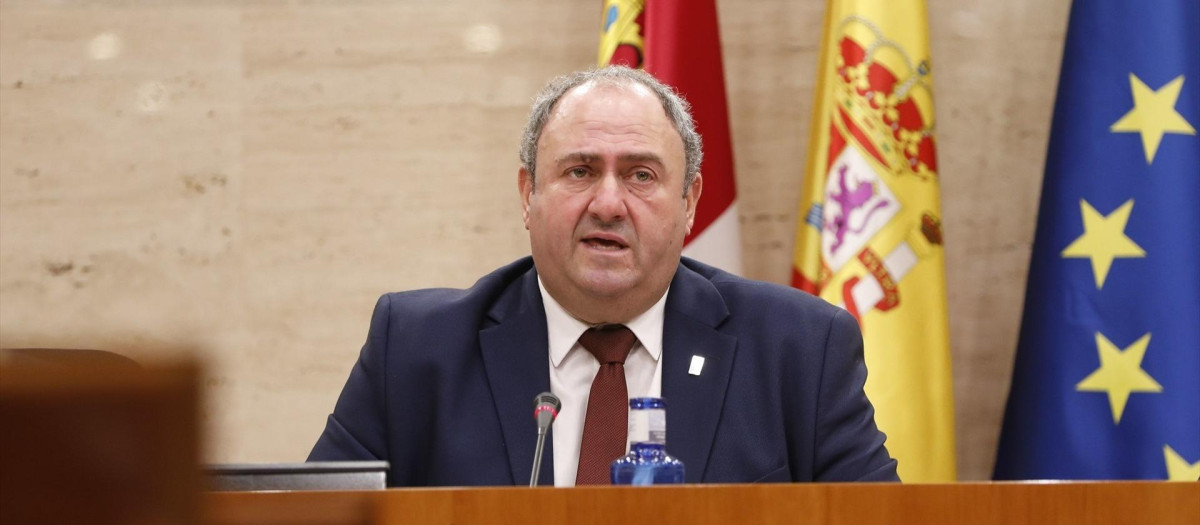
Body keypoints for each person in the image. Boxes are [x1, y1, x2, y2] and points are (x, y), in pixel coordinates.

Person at [308, 66, 899, 485]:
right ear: (527, 194)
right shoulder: (416, 349)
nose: (609, 203)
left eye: (641, 175)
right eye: (580, 171)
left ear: (689, 201)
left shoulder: (800, 348)